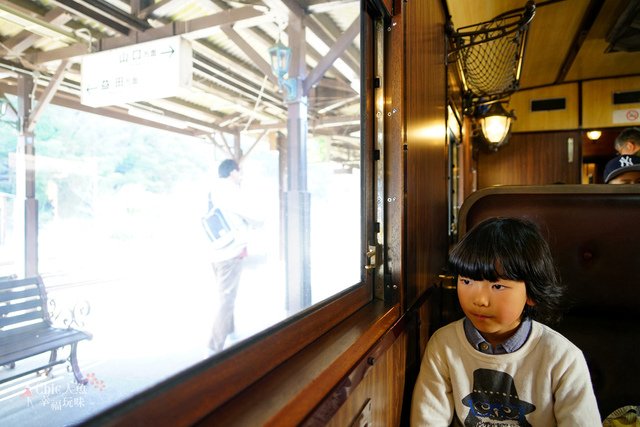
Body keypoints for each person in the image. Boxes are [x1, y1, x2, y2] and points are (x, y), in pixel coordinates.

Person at [410, 217, 601, 426]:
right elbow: (427, 420)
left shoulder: (563, 358)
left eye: (497, 286)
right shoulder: (444, 344)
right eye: (467, 281)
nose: (479, 300)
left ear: (531, 293)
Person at [207, 158, 261, 352]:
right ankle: (214, 346)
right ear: (232, 172)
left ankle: (230, 331)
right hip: (230, 252)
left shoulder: (212, 190)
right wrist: (259, 223)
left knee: (225, 295)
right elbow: (252, 215)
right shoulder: (231, 191)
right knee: (226, 299)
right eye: (239, 172)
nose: (241, 176)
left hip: (215, 251)